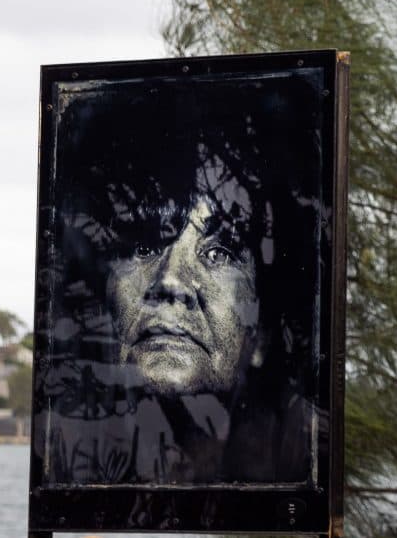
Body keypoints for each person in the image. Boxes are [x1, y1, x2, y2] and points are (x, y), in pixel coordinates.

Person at [44, 76, 324, 487]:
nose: (171, 280)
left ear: (264, 330)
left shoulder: (302, 452)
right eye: (144, 245)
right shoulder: (68, 451)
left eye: (219, 253)